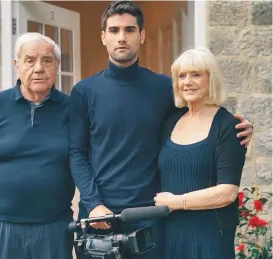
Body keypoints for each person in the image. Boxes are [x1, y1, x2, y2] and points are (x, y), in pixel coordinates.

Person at [69, 1, 252, 258]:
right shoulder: (83, 92)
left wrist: (240, 126)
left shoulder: (164, 89)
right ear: (103, 37)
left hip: (152, 217)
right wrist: (93, 204)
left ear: (142, 35)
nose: (122, 37)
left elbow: (200, 119)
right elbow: (76, 153)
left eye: (130, 30)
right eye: (114, 30)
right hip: (102, 218)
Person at [0, 33, 75, 259]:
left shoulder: (72, 109)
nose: (39, 68)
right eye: (30, 60)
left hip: (54, 230)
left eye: (47, 60)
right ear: (17, 65)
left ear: (57, 66)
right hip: (1, 230)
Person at [154, 47, 246, 259]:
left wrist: (178, 202)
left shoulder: (227, 126)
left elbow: (227, 192)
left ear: (210, 79)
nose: (187, 82)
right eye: (182, 76)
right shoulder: (171, 121)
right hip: (171, 236)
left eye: (196, 74)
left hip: (210, 238)